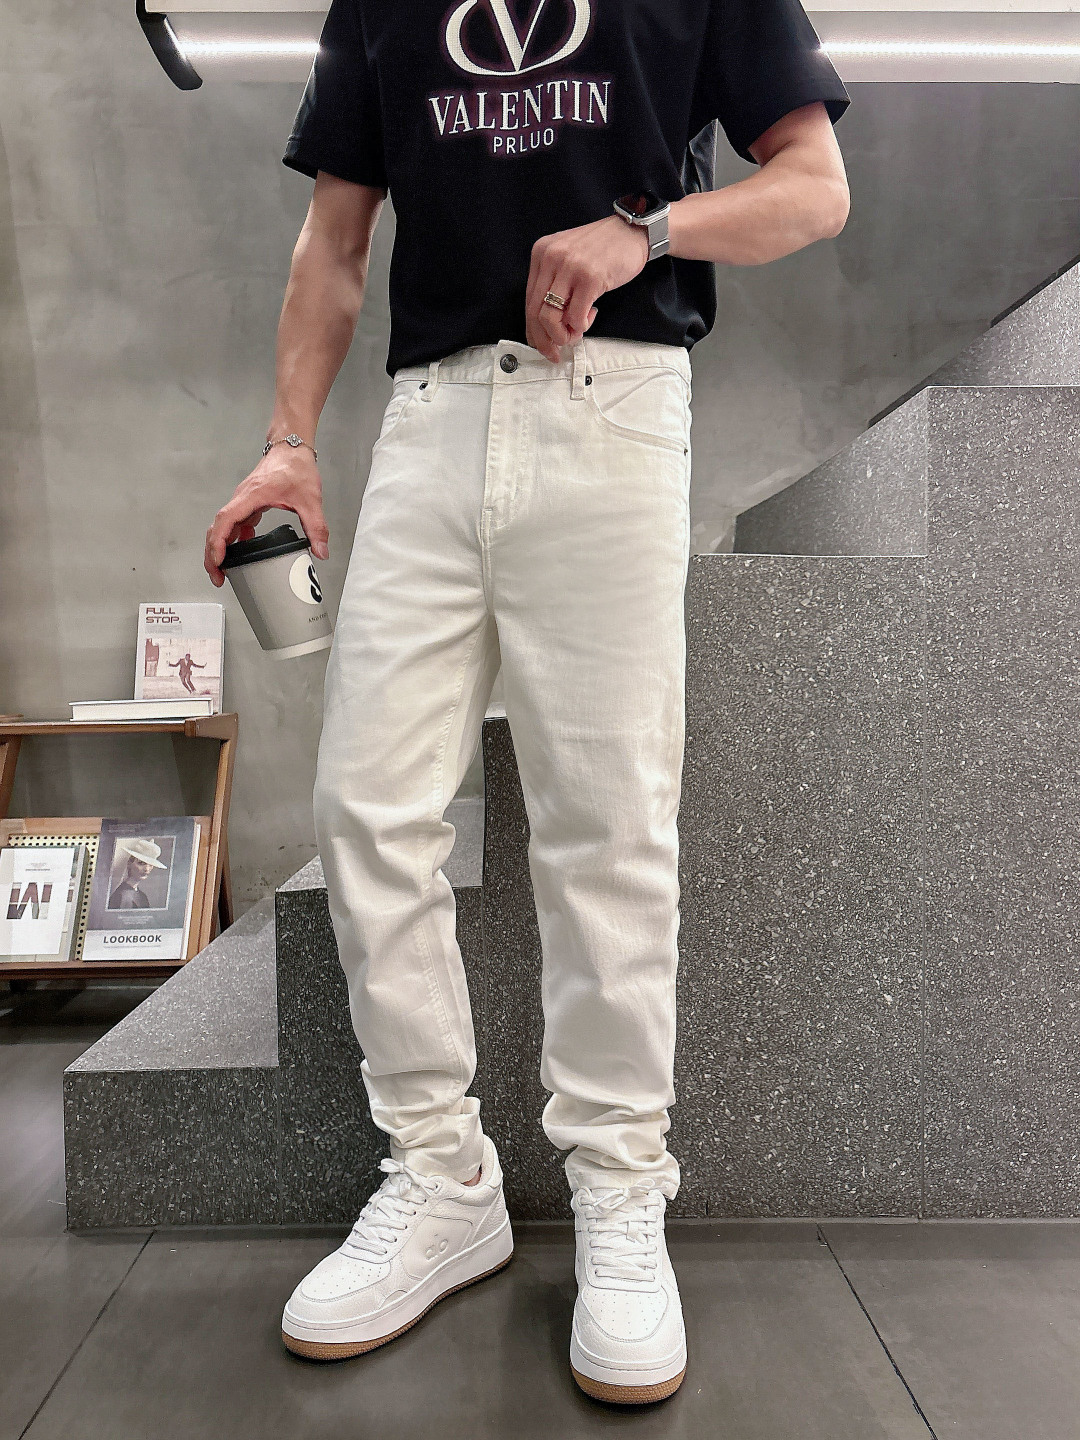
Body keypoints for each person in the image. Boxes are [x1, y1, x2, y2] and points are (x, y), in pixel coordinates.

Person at [205, 0, 850, 1404]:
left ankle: (619, 1190)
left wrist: (647, 231)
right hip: (431, 421)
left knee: (607, 823)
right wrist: (286, 444)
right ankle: (442, 1177)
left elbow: (814, 188)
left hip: (614, 407)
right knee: (366, 807)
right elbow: (333, 238)